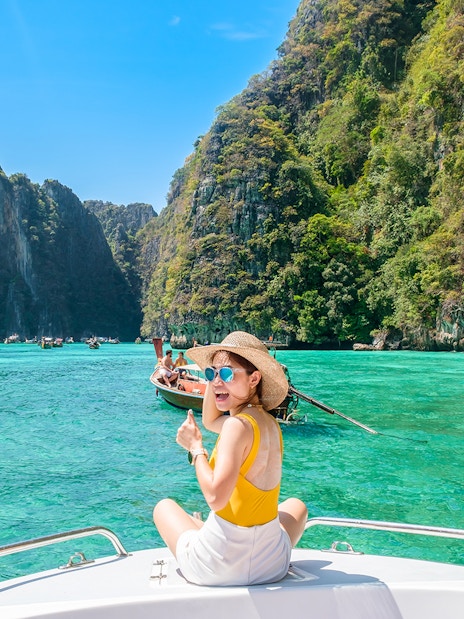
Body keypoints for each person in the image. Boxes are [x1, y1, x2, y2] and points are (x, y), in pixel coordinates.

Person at [153, 331, 307, 586]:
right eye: (211, 374)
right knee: (297, 506)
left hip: (218, 567)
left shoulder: (236, 426)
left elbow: (216, 497)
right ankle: (208, 530)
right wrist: (218, 381)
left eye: (227, 374)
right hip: (271, 565)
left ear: (254, 378)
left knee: (163, 507)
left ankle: (207, 532)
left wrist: (196, 448)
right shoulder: (270, 424)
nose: (215, 382)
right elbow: (211, 420)